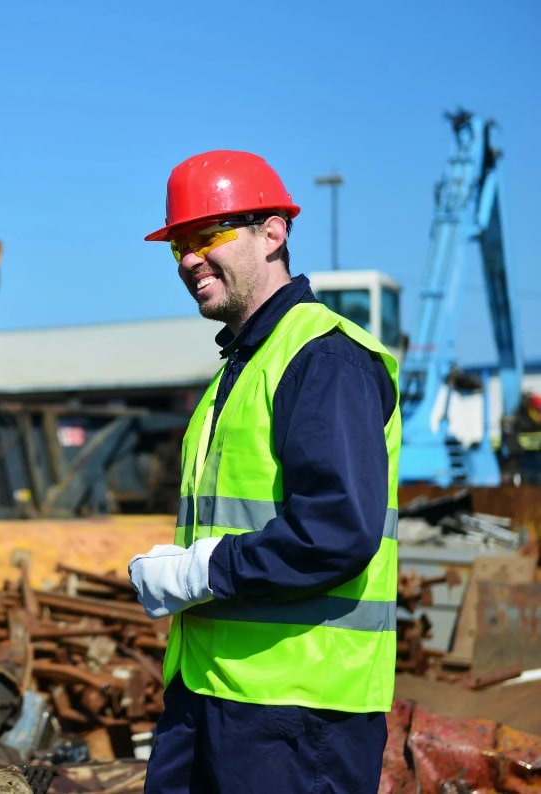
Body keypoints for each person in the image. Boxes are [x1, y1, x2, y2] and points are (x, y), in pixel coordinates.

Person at [127, 150, 400, 793]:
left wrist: (200, 571)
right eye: (177, 247)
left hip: (298, 713)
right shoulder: (241, 368)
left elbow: (336, 532)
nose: (189, 259)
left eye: (206, 236)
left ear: (272, 231)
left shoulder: (325, 359)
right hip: (213, 692)